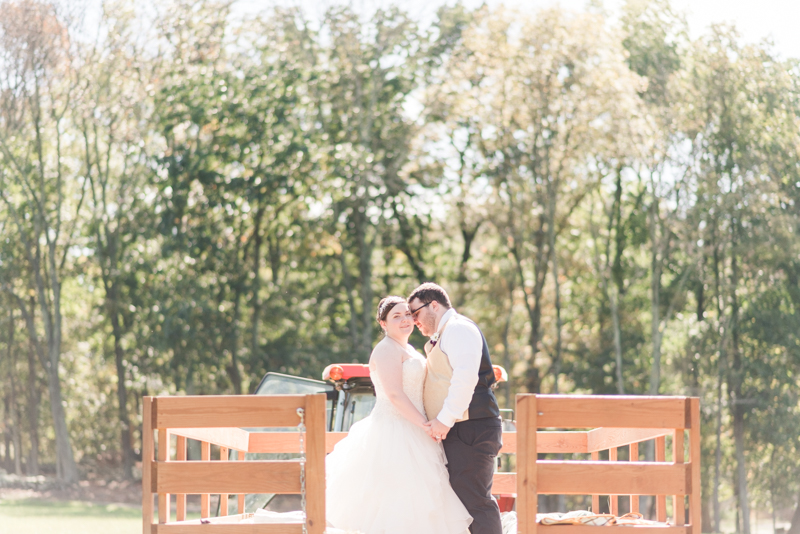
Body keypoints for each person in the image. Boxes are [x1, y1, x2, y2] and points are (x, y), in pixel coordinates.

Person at [325, 296, 472, 534]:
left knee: (424, 501)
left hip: (417, 430)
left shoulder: (410, 349)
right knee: (396, 500)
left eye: (407, 314)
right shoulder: (385, 349)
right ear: (383, 323)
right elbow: (394, 395)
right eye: (396, 316)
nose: (405, 320)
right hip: (393, 431)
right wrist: (426, 425)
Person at [408, 283, 503, 534]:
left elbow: (465, 379)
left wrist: (444, 420)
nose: (413, 320)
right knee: (462, 503)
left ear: (434, 305)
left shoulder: (459, 329)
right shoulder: (446, 333)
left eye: (415, 313)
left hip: (471, 427)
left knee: (475, 502)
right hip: (462, 429)